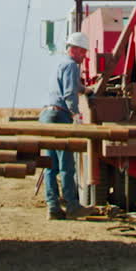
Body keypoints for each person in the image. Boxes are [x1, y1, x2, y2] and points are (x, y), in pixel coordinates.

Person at [39, 31, 88, 220]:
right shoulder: (72, 65)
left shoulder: (61, 64)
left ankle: (53, 207)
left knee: (50, 165)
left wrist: (86, 89)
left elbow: (72, 87)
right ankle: (72, 206)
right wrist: (75, 114)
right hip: (60, 115)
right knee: (67, 164)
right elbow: (69, 93)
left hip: (47, 114)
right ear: (73, 49)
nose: (84, 55)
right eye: (82, 51)